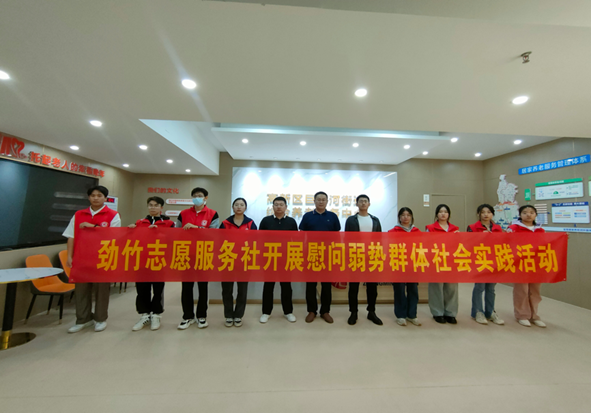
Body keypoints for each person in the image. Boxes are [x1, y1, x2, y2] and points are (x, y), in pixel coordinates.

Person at [63, 185, 121, 333]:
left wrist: (93, 226)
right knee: (81, 291)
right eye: (93, 195)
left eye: (99, 195)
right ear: (88, 197)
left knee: (102, 291)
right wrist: (69, 256)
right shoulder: (79, 214)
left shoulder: (113, 215)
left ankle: (100, 319)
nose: (96, 198)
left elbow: (114, 236)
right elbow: (71, 236)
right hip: (81, 259)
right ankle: (83, 319)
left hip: (103, 259)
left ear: (105, 198)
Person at [128, 196, 175, 331]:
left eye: (156, 205)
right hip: (142, 261)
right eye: (150, 205)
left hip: (159, 261)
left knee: (158, 289)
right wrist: (131, 230)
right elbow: (134, 240)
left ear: (161, 207)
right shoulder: (140, 222)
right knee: (142, 289)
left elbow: (173, 240)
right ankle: (144, 314)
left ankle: (156, 315)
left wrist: (159, 233)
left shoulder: (169, 223)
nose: (153, 207)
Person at [177, 187, 220, 330]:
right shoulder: (183, 214)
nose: (197, 198)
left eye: (200, 195)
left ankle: (202, 316)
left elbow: (213, 234)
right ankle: (187, 316)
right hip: (186, 254)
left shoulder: (212, 214)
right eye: (194, 195)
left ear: (205, 198)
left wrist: (196, 228)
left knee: (203, 287)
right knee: (186, 287)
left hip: (204, 254)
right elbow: (176, 232)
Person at [299, 191, 341, 323]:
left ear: (327, 201)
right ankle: (311, 311)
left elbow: (337, 237)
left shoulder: (333, 216)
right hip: (311, 254)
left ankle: (325, 311)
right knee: (310, 285)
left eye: (323, 199)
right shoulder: (307, 216)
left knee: (326, 285)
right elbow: (301, 236)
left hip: (327, 255)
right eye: (319, 199)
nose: (321, 201)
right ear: (314, 201)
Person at [258, 196, 298, 324]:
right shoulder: (266, 221)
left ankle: (288, 312)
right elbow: (260, 239)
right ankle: (266, 312)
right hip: (269, 258)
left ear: (286, 207)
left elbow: (295, 241)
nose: (279, 207)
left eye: (281, 204)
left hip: (286, 259)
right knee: (268, 286)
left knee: (286, 286)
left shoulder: (291, 222)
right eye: (276, 204)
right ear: (272, 207)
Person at [345, 195, 383, 326]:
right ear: (357, 204)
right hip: (355, 256)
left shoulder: (375, 220)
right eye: (360, 201)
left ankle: (371, 311)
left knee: (372, 287)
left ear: (369, 204)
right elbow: (347, 239)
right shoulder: (351, 220)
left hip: (372, 256)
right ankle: (353, 312)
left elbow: (379, 239)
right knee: (353, 286)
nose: (363, 203)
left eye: (365, 201)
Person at [507, 205, 546, 328]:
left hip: (536, 264)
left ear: (535, 215)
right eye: (525, 212)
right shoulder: (513, 228)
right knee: (521, 290)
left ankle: (534, 315)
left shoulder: (540, 230)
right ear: (520, 215)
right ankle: (522, 315)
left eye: (531, 212)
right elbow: (507, 243)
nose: (528, 215)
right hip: (520, 263)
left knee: (535, 291)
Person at [220, 198, 257, 327]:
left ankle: (238, 315)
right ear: (233, 207)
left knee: (242, 290)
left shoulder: (250, 223)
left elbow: (255, 241)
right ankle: (228, 315)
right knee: (227, 290)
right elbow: (219, 241)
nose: (239, 207)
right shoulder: (225, 223)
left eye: (242, 205)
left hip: (244, 260)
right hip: (228, 260)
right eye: (236, 204)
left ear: (245, 208)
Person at [467, 204, 505, 326]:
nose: (485, 214)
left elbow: (502, 244)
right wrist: (481, 237)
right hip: (479, 261)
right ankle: (478, 312)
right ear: (478, 214)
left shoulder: (498, 228)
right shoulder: (472, 227)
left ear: (492, 214)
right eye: (483, 212)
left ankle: (490, 312)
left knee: (491, 288)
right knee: (479, 287)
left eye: (488, 212)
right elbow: (468, 243)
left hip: (494, 261)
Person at [426, 204, 460, 324]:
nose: (443, 214)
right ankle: (437, 312)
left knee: (451, 288)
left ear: (449, 214)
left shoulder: (455, 229)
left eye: (445, 211)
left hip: (451, 261)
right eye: (440, 212)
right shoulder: (430, 228)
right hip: (436, 260)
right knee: (436, 287)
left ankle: (451, 313)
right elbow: (427, 243)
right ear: (437, 214)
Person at [388, 207, 421, 327]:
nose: (405, 217)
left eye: (408, 215)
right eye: (403, 215)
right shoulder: (392, 232)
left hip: (413, 265)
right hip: (398, 265)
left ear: (411, 217)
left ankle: (412, 315)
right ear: (399, 217)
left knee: (413, 290)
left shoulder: (417, 232)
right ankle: (401, 315)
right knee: (399, 290)